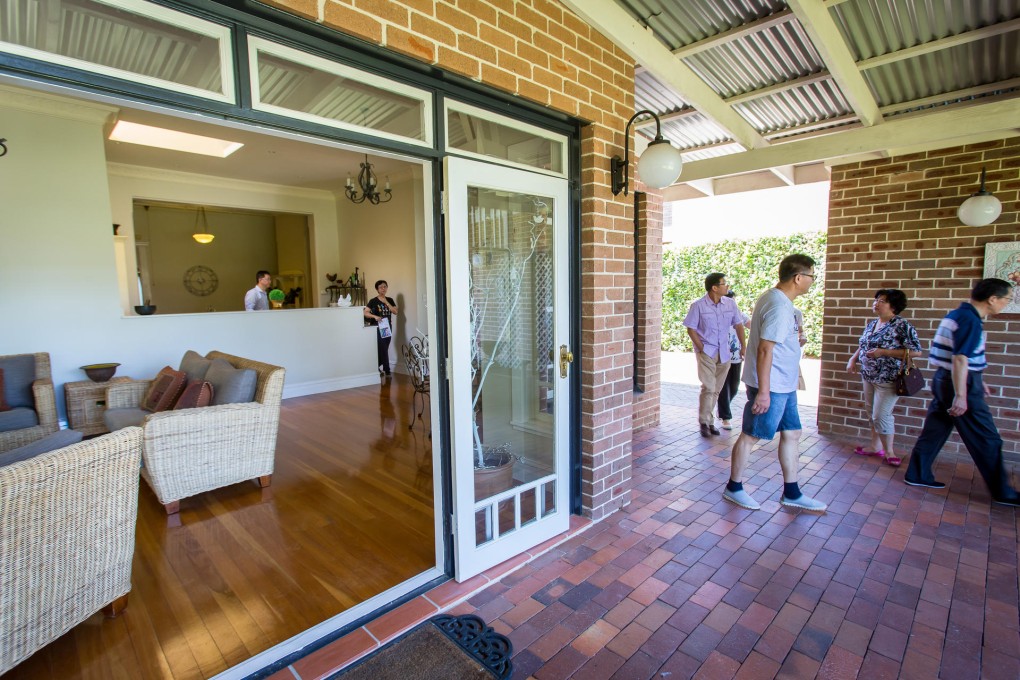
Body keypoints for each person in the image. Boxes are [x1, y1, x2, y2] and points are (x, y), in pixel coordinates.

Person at [722, 254, 826, 512]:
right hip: (771, 386)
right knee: (751, 435)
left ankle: (792, 492)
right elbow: (765, 350)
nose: (813, 281)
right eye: (812, 276)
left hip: (783, 384)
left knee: (792, 433)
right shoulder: (779, 305)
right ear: (798, 277)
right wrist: (764, 393)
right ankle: (734, 487)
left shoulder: (778, 300)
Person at [904, 278, 1020, 507]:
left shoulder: (956, 314)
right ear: (992, 299)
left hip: (945, 380)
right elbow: (959, 359)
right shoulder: (969, 320)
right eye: (1008, 299)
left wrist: (978, 379)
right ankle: (1003, 492)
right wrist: (962, 394)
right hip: (958, 384)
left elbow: (961, 358)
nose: (1007, 303)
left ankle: (916, 474)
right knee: (987, 439)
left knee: (935, 430)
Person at [846, 289, 922, 467]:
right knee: (870, 411)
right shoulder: (872, 324)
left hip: (888, 378)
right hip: (868, 375)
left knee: (881, 415)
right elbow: (863, 345)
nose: (876, 303)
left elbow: (917, 351)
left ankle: (889, 452)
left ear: (893, 306)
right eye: (876, 300)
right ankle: (875, 445)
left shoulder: (902, 325)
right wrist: (853, 359)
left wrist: (884, 352)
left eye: (882, 301)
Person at [683, 273, 746, 437]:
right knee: (708, 387)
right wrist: (701, 348)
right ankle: (704, 422)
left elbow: (739, 325)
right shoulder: (698, 306)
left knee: (716, 390)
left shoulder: (730, 304)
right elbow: (691, 328)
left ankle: (710, 421)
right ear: (714, 287)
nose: (728, 286)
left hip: (725, 353)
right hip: (707, 352)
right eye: (724, 284)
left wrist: (743, 346)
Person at [716, 291, 749, 430]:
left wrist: (744, 347)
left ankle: (722, 408)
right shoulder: (717, 314)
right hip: (721, 356)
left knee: (734, 387)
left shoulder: (739, 314)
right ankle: (726, 417)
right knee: (723, 386)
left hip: (736, 355)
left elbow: (751, 325)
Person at [364, 280, 398, 376]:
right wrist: (375, 317)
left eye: (385, 286)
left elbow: (395, 311)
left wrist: (386, 302)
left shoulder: (390, 300)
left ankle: (376, 367)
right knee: (382, 347)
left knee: (385, 347)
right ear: (377, 289)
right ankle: (386, 369)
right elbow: (366, 312)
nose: (383, 289)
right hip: (378, 326)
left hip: (387, 326)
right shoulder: (373, 301)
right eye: (381, 287)